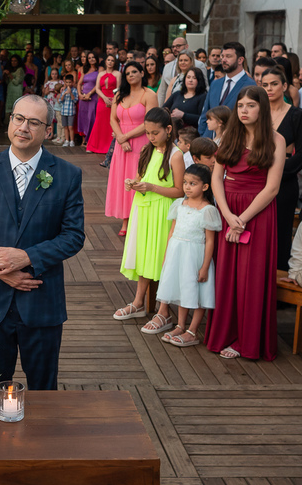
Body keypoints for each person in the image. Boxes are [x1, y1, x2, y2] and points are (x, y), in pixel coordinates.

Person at [0, 95, 86, 391]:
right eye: (18, 118)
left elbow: (73, 236)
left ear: (48, 130)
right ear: (10, 121)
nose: (23, 127)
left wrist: (26, 257)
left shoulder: (67, 175)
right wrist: (1, 269)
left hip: (42, 302)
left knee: (43, 388)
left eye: (33, 122)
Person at [206, 87, 285, 361]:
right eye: (240, 105)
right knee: (227, 275)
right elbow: (217, 177)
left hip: (258, 212)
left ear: (262, 109)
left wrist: (243, 219)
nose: (244, 110)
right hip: (229, 210)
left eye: (251, 105)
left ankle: (247, 340)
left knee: (251, 277)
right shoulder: (229, 135)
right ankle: (226, 333)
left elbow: (272, 188)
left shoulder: (276, 140)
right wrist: (228, 216)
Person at [117, 108, 185, 325]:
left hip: (163, 211)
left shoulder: (176, 155)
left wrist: (152, 187)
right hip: (143, 207)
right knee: (144, 254)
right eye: (147, 133)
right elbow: (141, 177)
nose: (151, 137)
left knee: (161, 258)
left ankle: (164, 310)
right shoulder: (148, 150)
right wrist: (133, 184)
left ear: (168, 129)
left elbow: (179, 191)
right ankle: (138, 302)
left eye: (155, 133)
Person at [151, 163, 219, 347]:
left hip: (195, 256)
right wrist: (167, 256)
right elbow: (172, 232)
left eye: (192, 183)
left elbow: (210, 241)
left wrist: (205, 267)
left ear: (205, 186)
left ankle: (192, 330)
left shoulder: (208, 210)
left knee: (196, 291)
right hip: (177, 253)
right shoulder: (179, 204)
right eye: (185, 183)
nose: (187, 187)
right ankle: (180, 325)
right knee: (183, 289)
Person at [260, 66, 302, 268]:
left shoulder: (296, 115)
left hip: (284, 182)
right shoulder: (256, 111)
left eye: (274, 84)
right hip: (256, 180)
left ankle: (279, 286)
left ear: (284, 86)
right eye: (265, 85)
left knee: (280, 233)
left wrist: (278, 171)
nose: (269, 89)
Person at [198, 42, 255, 137]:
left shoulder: (250, 85)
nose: (223, 60)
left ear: (240, 60)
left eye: (228, 56)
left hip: (234, 142)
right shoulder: (216, 83)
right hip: (209, 142)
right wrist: (203, 135)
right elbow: (205, 113)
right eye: (222, 56)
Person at [84, 57, 118, 154]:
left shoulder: (118, 74)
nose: (110, 62)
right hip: (102, 100)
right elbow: (98, 88)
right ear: (105, 62)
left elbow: (119, 88)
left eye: (112, 60)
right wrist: (104, 98)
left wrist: (113, 99)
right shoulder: (100, 74)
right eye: (108, 60)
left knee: (111, 122)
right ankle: (93, 146)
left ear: (114, 62)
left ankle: (110, 147)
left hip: (113, 100)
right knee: (99, 122)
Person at [76, 54, 98, 142]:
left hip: (93, 96)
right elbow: (79, 83)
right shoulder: (85, 70)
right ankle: (84, 140)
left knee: (91, 116)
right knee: (83, 116)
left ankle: (91, 140)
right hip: (83, 97)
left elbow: (98, 84)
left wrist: (89, 94)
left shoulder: (99, 69)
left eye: (93, 57)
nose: (91, 59)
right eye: (89, 58)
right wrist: (79, 94)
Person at [57, 73, 78, 147]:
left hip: (71, 111)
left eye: (70, 82)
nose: (68, 84)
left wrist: (71, 93)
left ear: (72, 82)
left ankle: (72, 141)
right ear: (65, 82)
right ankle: (67, 140)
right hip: (64, 111)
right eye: (67, 82)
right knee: (65, 126)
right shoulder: (64, 90)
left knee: (70, 127)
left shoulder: (75, 90)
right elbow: (60, 101)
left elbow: (75, 100)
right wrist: (64, 94)